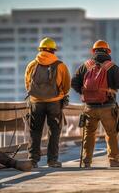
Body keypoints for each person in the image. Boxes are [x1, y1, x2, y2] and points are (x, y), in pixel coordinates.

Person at [71, 40, 119, 168]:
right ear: (108, 52)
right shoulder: (112, 67)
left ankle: (86, 161)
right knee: (111, 133)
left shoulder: (85, 66)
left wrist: (83, 93)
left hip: (90, 107)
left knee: (89, 133)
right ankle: (114, 160)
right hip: (107, 107)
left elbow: (74, 83)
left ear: (93, 51)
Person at [25, 37, 71, 168]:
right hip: (54, 103)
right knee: (54, 131)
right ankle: (52, 161)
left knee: (35, 131)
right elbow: (67, 85)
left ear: (40, 49)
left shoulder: (32, 65)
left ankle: (32, 161)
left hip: (36, 103)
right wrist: (61, 94)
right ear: (53, 50)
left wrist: (37, 95)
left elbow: (27, 83)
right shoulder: (60, 65)